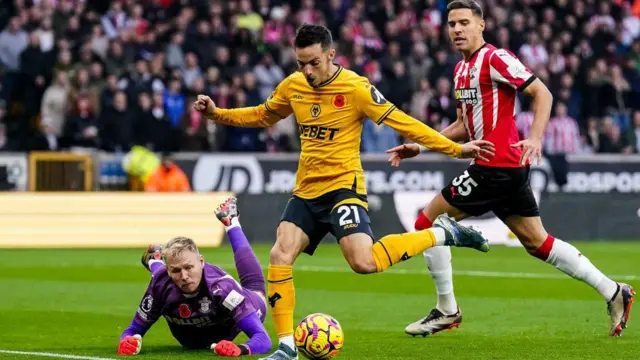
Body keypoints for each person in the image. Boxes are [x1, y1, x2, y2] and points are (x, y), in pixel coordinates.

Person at [194, 23, 496, 360]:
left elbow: (405, 123)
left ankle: (440, 234)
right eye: (301, 64)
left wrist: (457, 149)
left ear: (331, 55)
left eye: (314, 63)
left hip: (343, 188)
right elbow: (264, 115)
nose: (307, 71)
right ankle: (286, 346)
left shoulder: (356, 88)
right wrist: (217, 114)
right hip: (306, 191)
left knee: (364, 263)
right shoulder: (294, 85)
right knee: (280, 255)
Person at [386, 0, 635, 338]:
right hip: (502, 168)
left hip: (496, 164)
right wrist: (421, 145)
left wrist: (534, 138)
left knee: (425, 222)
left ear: (481, 25)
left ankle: (447, 309)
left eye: (463, 22)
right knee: (538, 242)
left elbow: (542, 93)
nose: (456, 29)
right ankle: (613, 291)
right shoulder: (461, 70)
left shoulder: (495, 58)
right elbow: (462, 124)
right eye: (451, 24)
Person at [117, 197, 271, 357]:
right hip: (188, 338)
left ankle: (231, 222)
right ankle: (155, 261)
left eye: (189, 267)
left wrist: (241, 349)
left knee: (256, 289)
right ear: (168, 270)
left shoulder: (222, 288)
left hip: (231, 322)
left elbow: (263, 339)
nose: (184, 276)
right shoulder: (160, 284)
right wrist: (127, 341)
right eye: (176, 270)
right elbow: (133, 330)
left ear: (201, 262)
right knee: (161, 277)